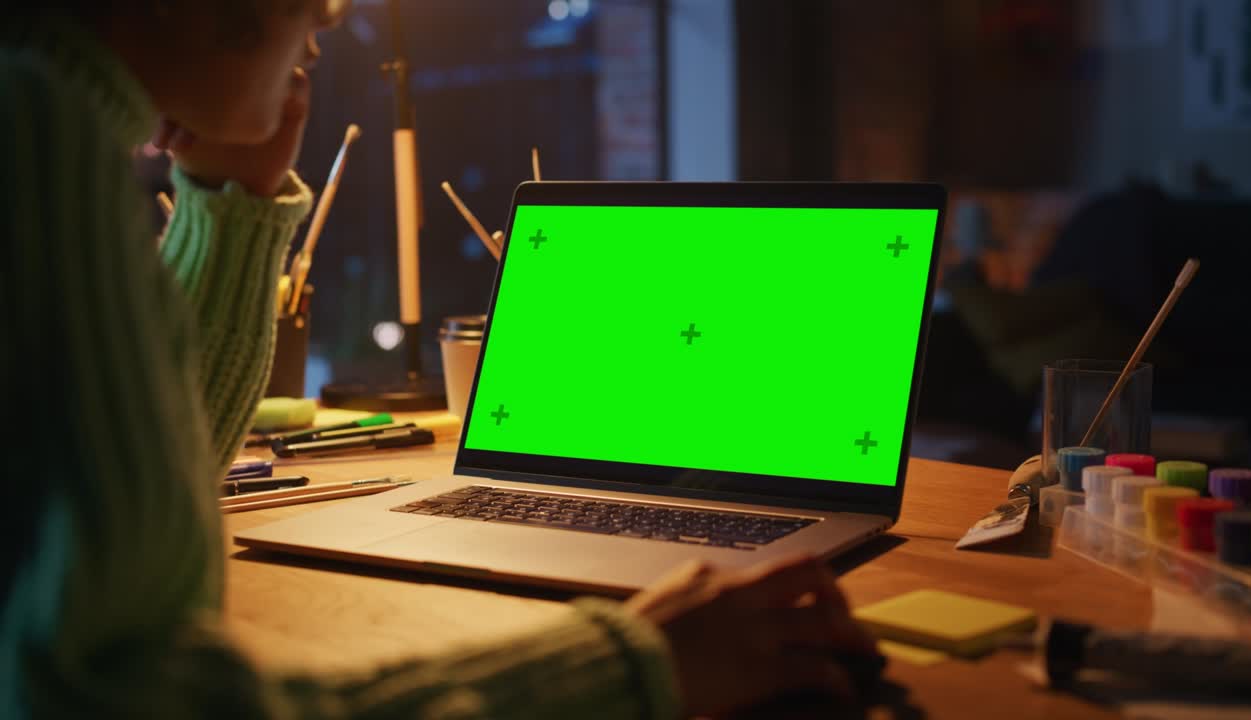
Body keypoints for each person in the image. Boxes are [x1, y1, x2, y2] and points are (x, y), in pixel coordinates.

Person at [0, 1, 881, 717]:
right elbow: (105, 693)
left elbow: (122, 500)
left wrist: (236, 202)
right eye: (319, 8)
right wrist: (629, 669)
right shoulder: (34, 129)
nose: (318, 35)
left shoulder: (40, 118)